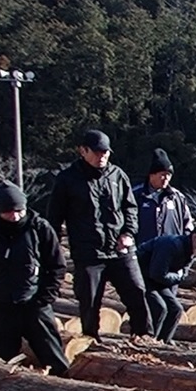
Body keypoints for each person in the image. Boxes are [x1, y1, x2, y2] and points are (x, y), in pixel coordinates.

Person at [47, 129, 153, 340]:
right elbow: (54, 216)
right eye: (96, 152)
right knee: (90, 301)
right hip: (88, 252)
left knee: (137, 292)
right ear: (83, 151)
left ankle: (144, 337)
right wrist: (53, 246)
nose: (102, 156)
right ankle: (91, 342)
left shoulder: (118, 175)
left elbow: (130, 208)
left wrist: (129, 233)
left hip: (120, 249)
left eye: (105, 152)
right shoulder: (68, 179)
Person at [0, 182, 71, 376]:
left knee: (55, 361)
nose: (15, 216)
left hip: (35, 303)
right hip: (2, 304)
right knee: (0, 364)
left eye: (19, 210)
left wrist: (44, 298)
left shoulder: (40, 228)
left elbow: (57, 266)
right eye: (8, 212)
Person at [136, 224, 196, 345]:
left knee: (176, 309)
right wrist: (176, 276)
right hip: (141, 276)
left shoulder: (192, 251)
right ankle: (149, 339)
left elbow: (182, 275)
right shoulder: (171, 245)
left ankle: (164, 341)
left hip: (157, 280)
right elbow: (158, 273)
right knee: (160, 307)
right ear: (195, 237)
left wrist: (176, 276)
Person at [132, 148, 193, 243]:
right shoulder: (136, 195)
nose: (166, 178)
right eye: (163, 174)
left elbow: (187, 226)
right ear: (152, 175)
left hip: (172, 252)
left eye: (169, 175)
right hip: (144, 252)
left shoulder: (177, 197)